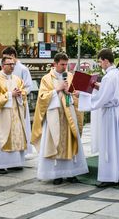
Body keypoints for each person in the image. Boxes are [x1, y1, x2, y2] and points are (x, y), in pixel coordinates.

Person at [32, 53, 88, 184]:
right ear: (55, 64)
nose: (64, 67)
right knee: (55, 144)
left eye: (66, 64)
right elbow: (41, 98)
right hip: (54, 116)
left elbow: (76, 94)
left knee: (71, 142)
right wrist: (57, 89)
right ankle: (56, 174)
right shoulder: (46, 79)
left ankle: (71, 173)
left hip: (69, 115)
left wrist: (70, 92)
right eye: (62, 64)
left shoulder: (70, 76)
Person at [85, 48, 119, 187]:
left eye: (100, 61)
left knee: (109, 144)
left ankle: (109, 176)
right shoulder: (118, 74)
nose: (100, 64)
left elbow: (102, 99)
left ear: (106, 61)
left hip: (110, 114)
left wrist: (84, 97)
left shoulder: (108, 77)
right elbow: (112, 91)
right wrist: (98, 86)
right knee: (118, 143)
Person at [0, 56, 27, 174]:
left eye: (13, 64)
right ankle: (0, 165)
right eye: (9, 64)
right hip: (2, 115)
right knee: (1, 138)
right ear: (3, 65)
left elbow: (24, 93)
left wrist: (20, 95)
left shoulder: (17, 79)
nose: (12, 66)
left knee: (16, 137)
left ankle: (14, 163)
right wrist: (10, 95)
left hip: (15, 113)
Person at [2, 47, 35, 157]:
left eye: (6, 57)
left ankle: (21, 152)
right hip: (7, 103)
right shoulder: (4, 69)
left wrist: (21, 92)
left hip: (19, 103)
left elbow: (28, 85)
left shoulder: (23, 69)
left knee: (21, 129)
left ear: (12, 55)